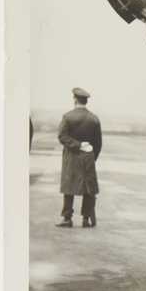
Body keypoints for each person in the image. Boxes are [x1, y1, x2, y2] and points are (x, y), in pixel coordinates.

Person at [56, 88, 102, 228]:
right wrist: (92, 156)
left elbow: (62, 136)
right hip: (88, 157)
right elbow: (98, 143)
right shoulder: (94, 119)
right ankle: (86, 219)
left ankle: (67, 218)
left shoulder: (67, 117)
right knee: (88, 188)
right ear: (86, 101)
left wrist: (77, 145)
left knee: (68, 187)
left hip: (71, 156)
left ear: (75, 99)